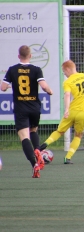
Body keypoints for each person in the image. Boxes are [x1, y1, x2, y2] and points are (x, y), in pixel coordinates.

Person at [1, 45, 53, 178]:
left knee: (24, 137)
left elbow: (3, 87)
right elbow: (43, 85)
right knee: (34, 129)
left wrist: (7, 86)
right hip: (34, 107)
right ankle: (38, 150)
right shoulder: (36, 69)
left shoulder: (12, 69)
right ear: (30, 56)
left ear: (19, 56)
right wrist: (49, 91)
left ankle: (34, 164)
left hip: (21, 108)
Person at [40, 60, 84, 164]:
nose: (64, 74)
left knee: (59, 132)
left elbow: (67, 95)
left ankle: (43, 145)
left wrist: (66, 110)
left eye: (64, 72)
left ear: (67, 69)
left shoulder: (68, 82)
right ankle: (68, 158)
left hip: (71, 111)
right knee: (78, 135)